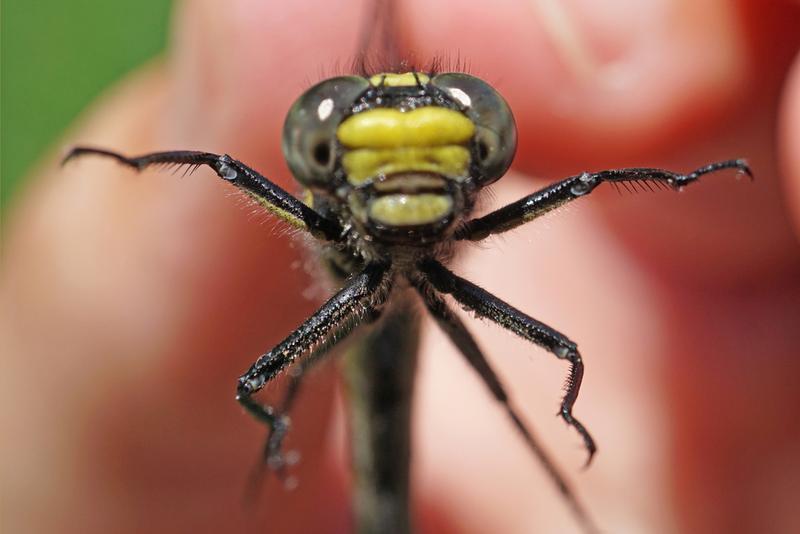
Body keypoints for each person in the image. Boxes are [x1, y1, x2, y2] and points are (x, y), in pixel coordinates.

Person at [2, 1, 799, 532]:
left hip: (376, 306)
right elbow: (222, 164)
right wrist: (273, 425)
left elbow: (586, 181)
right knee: (277, 382)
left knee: (519, 393)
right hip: (356, 307)